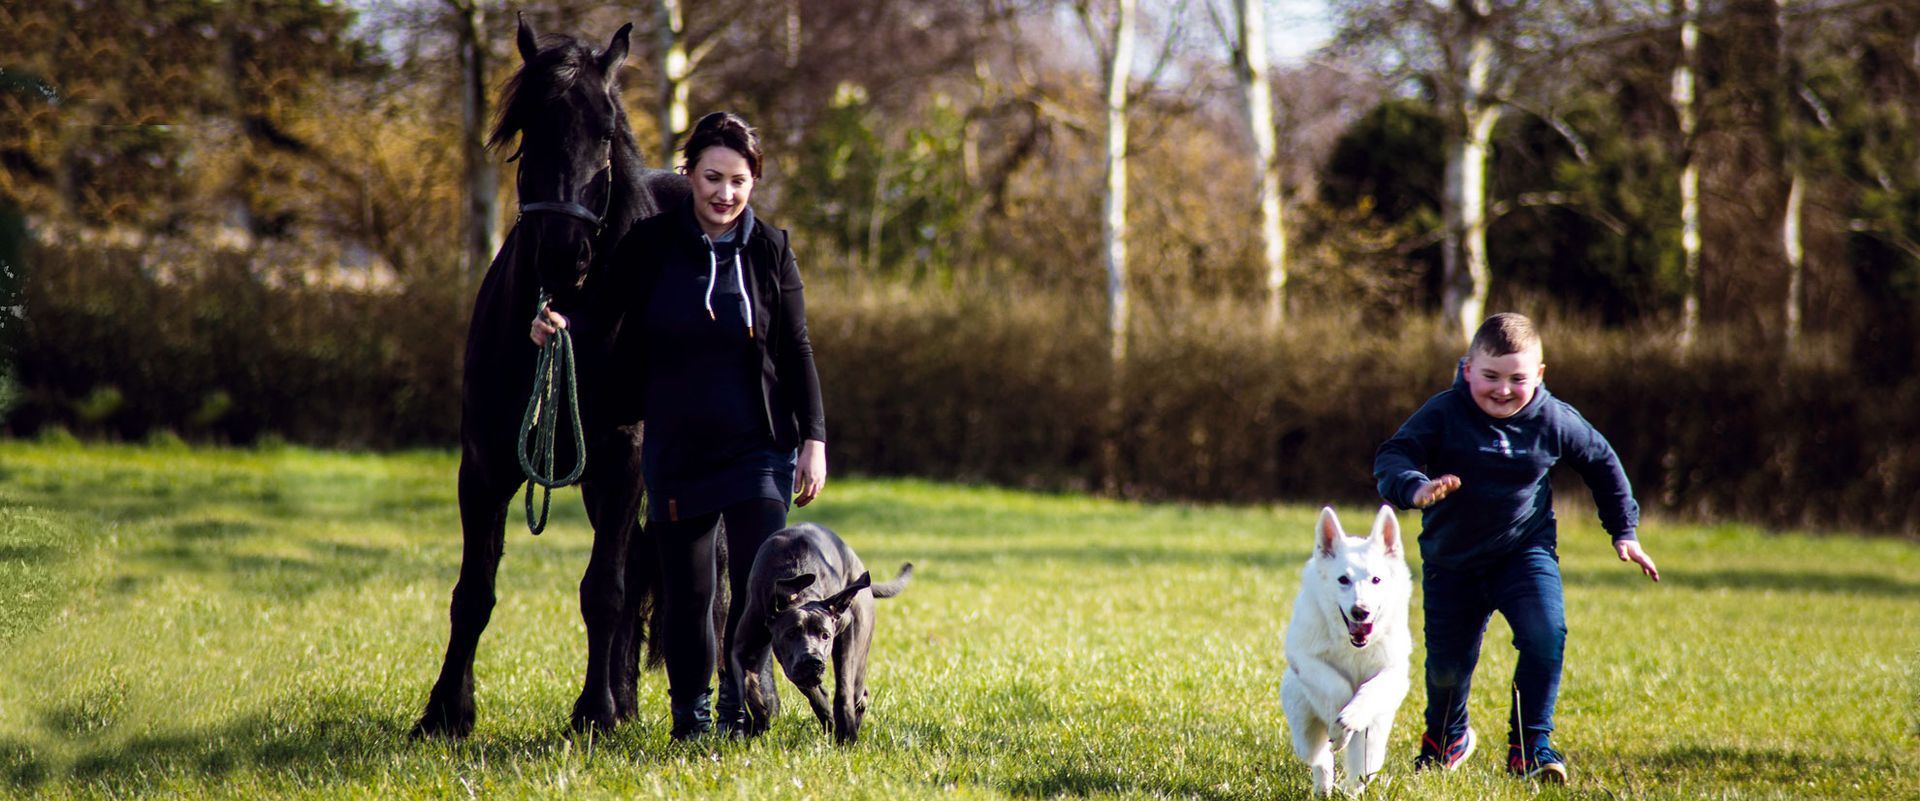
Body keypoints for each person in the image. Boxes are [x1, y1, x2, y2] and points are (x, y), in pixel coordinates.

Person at [531, 111, 827, 740]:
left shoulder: (772, 250)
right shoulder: (651, 245)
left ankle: (740, 705)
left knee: (757, 588)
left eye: (739, 181)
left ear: (754, 182)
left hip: (758, 448)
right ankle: (691, 717)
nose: (725, 193)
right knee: (690, 596)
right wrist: (558, 326)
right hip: (677, 449)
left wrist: (814, 439)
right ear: (689, 173)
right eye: (713, 177)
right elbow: (600, 312)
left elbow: (797, 348)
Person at [1373, 312, 1658, 784]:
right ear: (1468, 369)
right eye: (1491, 376)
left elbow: (1601, 462)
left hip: (1524, 554)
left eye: (1517, 379)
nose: (1503, 390)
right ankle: (1446, 739)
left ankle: (1530, 749)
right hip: (1452, 561)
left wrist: (1623, 530)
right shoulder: (1444, 413)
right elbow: (1393, 455)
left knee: (1545, 636)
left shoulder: (1553, 418)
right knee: (1446, 668)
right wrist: (1415, 486)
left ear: (1539, 375)